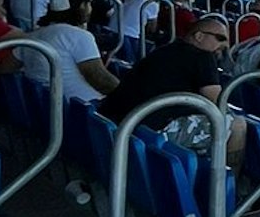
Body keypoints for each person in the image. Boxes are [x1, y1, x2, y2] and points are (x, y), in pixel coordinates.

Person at [98, 15, 245, 157]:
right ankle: (227, 180)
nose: (224, 46)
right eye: (220, 39)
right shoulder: (203, 56)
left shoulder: (165, 49)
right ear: (199, 36)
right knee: (237, 125)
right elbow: (217, 102)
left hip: (122, 122)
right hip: (149, 128)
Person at [24, 0, 120, 104]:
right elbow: (99, 78)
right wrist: (126, 93)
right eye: (88, 4)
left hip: (49, 108)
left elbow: (8, 66)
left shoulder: (33, 35)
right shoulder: (79, 36)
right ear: (82, 6)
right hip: (84, 109)